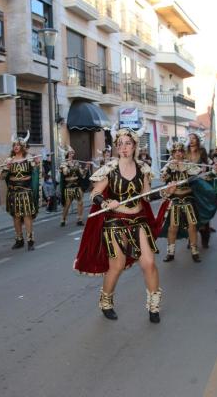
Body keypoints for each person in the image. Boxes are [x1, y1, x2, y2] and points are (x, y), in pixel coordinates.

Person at [74, 128, 176, 323]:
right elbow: (94, 194)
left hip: (139, 221)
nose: (123, 147)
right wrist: (105, 203)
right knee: (117, 265)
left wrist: (165, 192)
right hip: (115, 222)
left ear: (135, 146)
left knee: (149, 263)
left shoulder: (143, 169)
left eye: (127, 143)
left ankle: (154, 306)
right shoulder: (110, 169)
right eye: (119, 144)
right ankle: (106, 301)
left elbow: (147, 196)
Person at [161, 140, 202, 262]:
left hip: (188, 199)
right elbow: (163, 178)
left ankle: (195, 251)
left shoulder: (189, 164)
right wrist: (169, 169)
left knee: (192, 226)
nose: (178, 153)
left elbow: (198, 173)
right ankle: (170, 253)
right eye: (175, 151)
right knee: (172, 227)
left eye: (180, 151)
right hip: (175, 200)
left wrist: (183, 166)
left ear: (184, 153)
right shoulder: (169, 165)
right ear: (172, 153)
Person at [0, 132, 40, 250]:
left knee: (27, 215)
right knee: (16, 217)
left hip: (25, 191)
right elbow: (2, 177)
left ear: (22, 146)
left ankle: (30, 240)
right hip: (13, 192)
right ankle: (19, 239)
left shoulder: (28, 158)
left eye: (18, 145)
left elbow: (36, 173)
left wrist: (37, 164)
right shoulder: (9, 160)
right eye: (14, 145)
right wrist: (6, 168)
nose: (15, 147)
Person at [59, 146, 90, 227]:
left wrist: (86, 167)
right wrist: (73, 166)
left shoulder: (76, 162)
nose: (71, 155)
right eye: (70, 153)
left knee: (80, 202)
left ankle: (79, 219)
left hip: (77, 186)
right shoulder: (63, 163)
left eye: (72, 153)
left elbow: (82, 174)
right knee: (67, 205)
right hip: (68, 187)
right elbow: (66, 173)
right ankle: (63, 219)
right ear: (66, 154)